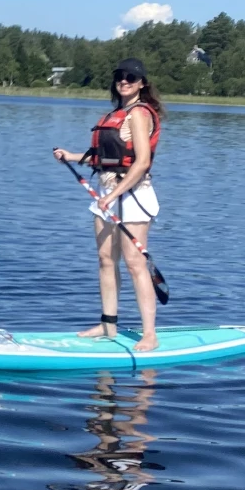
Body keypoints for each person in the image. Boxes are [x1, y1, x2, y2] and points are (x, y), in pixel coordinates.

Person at [52, 57, 162, 350]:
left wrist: (113, 196)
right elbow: (103, 158)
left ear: (141, 83)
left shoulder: (139, 114)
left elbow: (141, 162)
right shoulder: (115, 114)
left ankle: (149, 334)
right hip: (107, 193)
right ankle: (108, 325)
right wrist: (70, 155)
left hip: (134, 195)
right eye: (120, 76)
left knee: (135, 263)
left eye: (131, 77)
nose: (124, 81)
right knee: (105, 259)